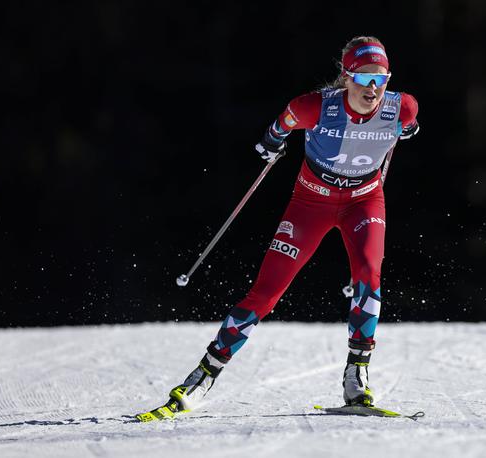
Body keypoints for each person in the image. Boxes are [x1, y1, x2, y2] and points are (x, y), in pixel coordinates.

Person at [138, 36, 419, 420]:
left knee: (370, 275)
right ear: (346, 77)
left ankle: (357, 376)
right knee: (267, 291)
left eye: (381, 79)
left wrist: (408, 129)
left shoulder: (400, 106)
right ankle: (202, 375)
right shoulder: (315, 107)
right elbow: (282, 123)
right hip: (311, 203)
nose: (373, 89)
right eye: (364, 78)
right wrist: (272, 142)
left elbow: (409, 122)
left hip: (364, 201)